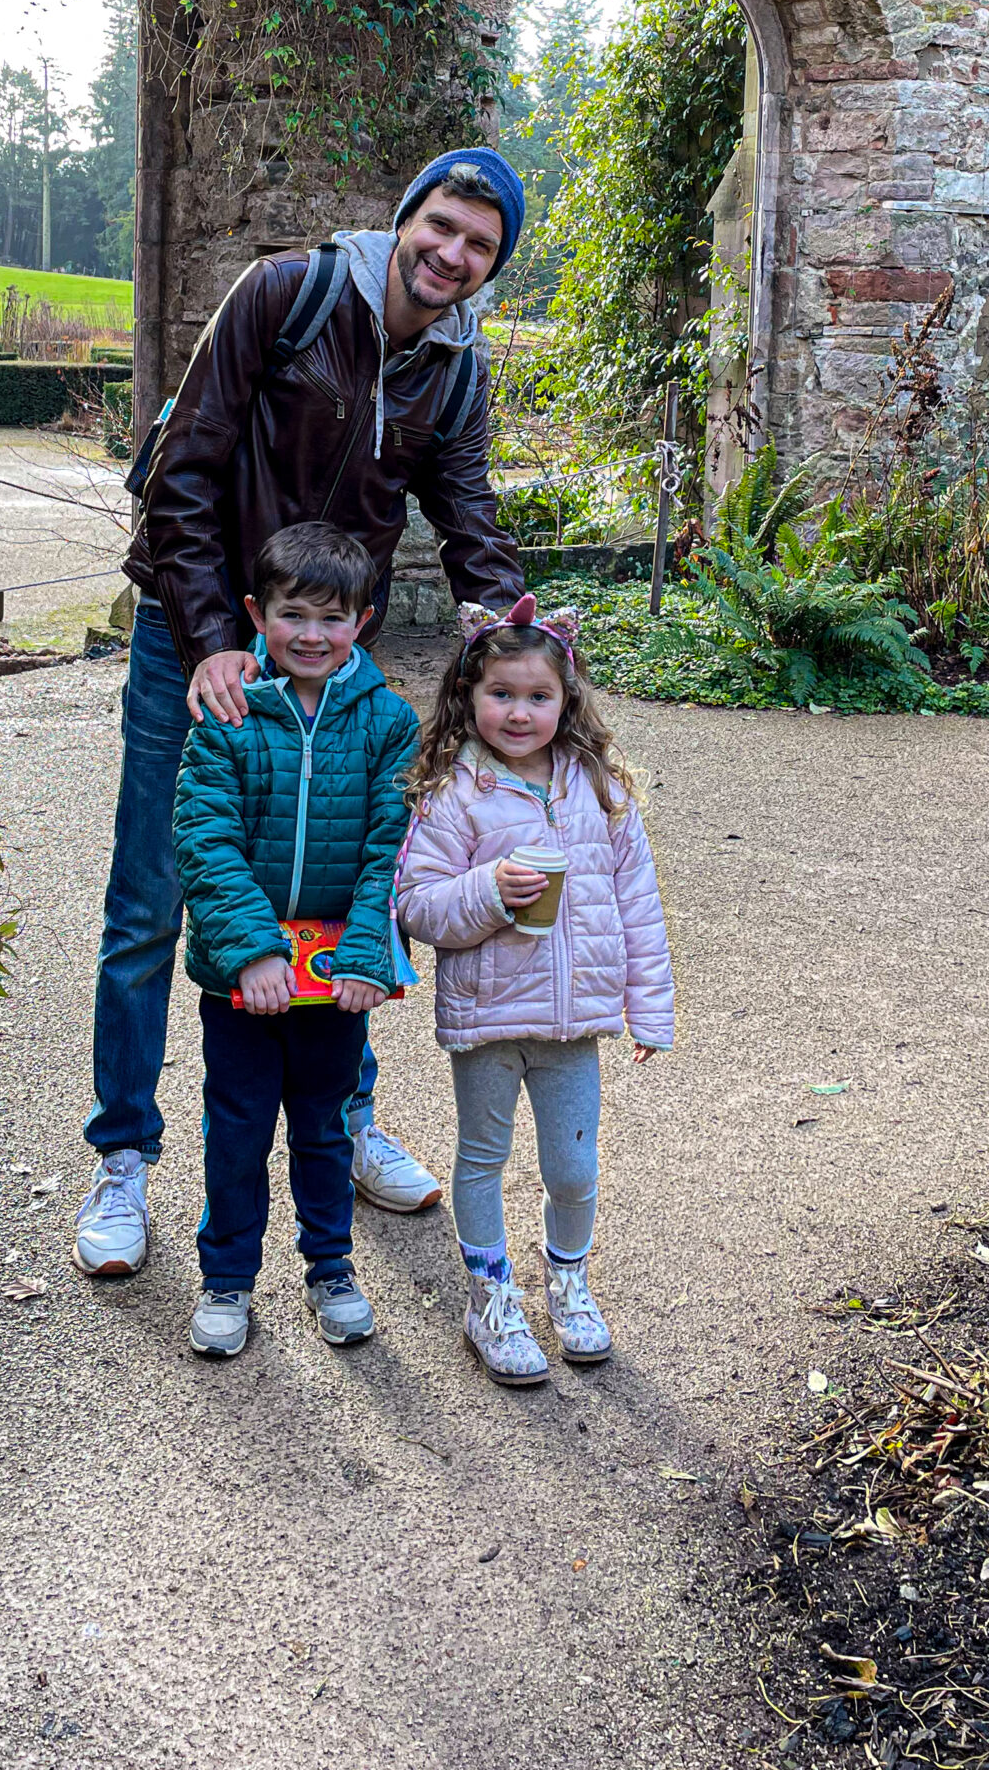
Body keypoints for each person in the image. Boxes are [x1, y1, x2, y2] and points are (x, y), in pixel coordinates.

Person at [74, 146, 529, 1277]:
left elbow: (467, 517)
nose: (452, 255)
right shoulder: (286, 292)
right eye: (441, 226)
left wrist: (516, 634)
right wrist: (213, 640)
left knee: (332, 895)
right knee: (152, 900)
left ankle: (346, 1123)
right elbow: (186, 472)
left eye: (479, 245)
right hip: (204, 636)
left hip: (328, 662)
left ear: (491, 265)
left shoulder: (458, 375)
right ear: (406, 218)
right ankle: (123, 1157)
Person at [392, 593, 675, 1385]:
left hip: (574, 1024)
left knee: (573, 1168)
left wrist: (648, 1007)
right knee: (482, 1158)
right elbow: (415, 904)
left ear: (567, 698)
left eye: (538, 696)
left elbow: (638, 905)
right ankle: (489, 1296)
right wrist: (487, 891)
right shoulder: (455, 792)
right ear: (468, 695)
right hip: (487, 1019)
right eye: (501, 694)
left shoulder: (600, 791)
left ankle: (569, 1283)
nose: (519, 713)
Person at [171, 523, 418, 1358]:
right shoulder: (228, 713)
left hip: (336, 983)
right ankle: (227, 1281)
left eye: (332, 619)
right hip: (244, 981)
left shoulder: (387, 723)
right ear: (256, 612)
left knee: (324, 1129)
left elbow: (394, 847)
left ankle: (331, 1269)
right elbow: (205, 837)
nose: (311, 636)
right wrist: (251, 949)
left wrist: (365, 955)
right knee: (236, 1130)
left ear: (364, 620)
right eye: (292, 616)